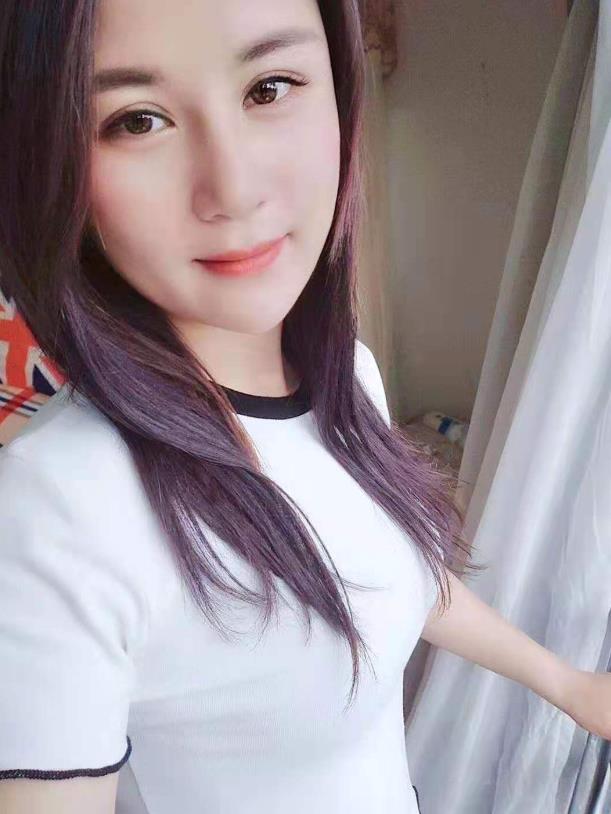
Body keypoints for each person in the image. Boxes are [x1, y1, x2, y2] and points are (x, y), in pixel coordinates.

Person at [0, 2, 609, 813]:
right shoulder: (58, 504)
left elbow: (385, 570)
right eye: (137, 120)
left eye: (269, 87)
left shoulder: (344, 374)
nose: (234, 189)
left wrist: (569, 686)